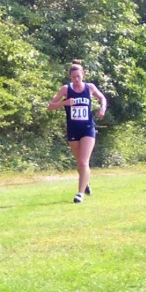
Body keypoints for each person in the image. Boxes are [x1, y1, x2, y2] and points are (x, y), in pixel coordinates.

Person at [48, 60, 107, 203]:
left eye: (78, 76)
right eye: (73, 77)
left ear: (83, 75)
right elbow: (50, 106)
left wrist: (102, 108)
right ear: (70, 77)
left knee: (83, 161)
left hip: (87, 128)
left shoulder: (90, 87)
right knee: (79, 163)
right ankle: (85, 182)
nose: (76, 79)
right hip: (73, 129)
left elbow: (102, 98)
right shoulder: (66, 89)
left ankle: (79, 194)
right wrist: (64, 103)